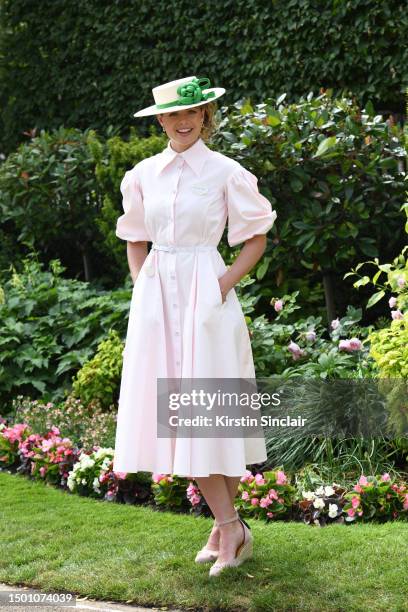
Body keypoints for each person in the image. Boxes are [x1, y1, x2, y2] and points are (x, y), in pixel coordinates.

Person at [112, 76, 277, 577]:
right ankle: (229, 527)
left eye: (194, 113)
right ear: (160, 120)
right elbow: (135, 236)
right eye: (173, 115)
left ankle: (230, 528)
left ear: (205, 116)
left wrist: (221, 286)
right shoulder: (143, 174)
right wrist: (143, 285)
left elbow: (255, 238)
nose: (184, 122)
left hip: (206, 299)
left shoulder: (227, 173)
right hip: (159, 302)